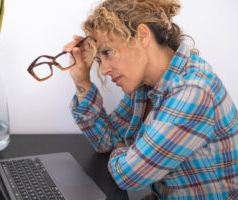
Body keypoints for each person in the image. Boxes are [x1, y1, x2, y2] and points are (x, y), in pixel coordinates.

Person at [63, 0, 238, 199]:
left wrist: (124, 149)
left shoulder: (192, 92)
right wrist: (82, 81)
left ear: (142, 36)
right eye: (99, 60)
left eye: (107, 53)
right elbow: (105, 141)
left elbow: (129, 176)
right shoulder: (146, 86)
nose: (104, 69)